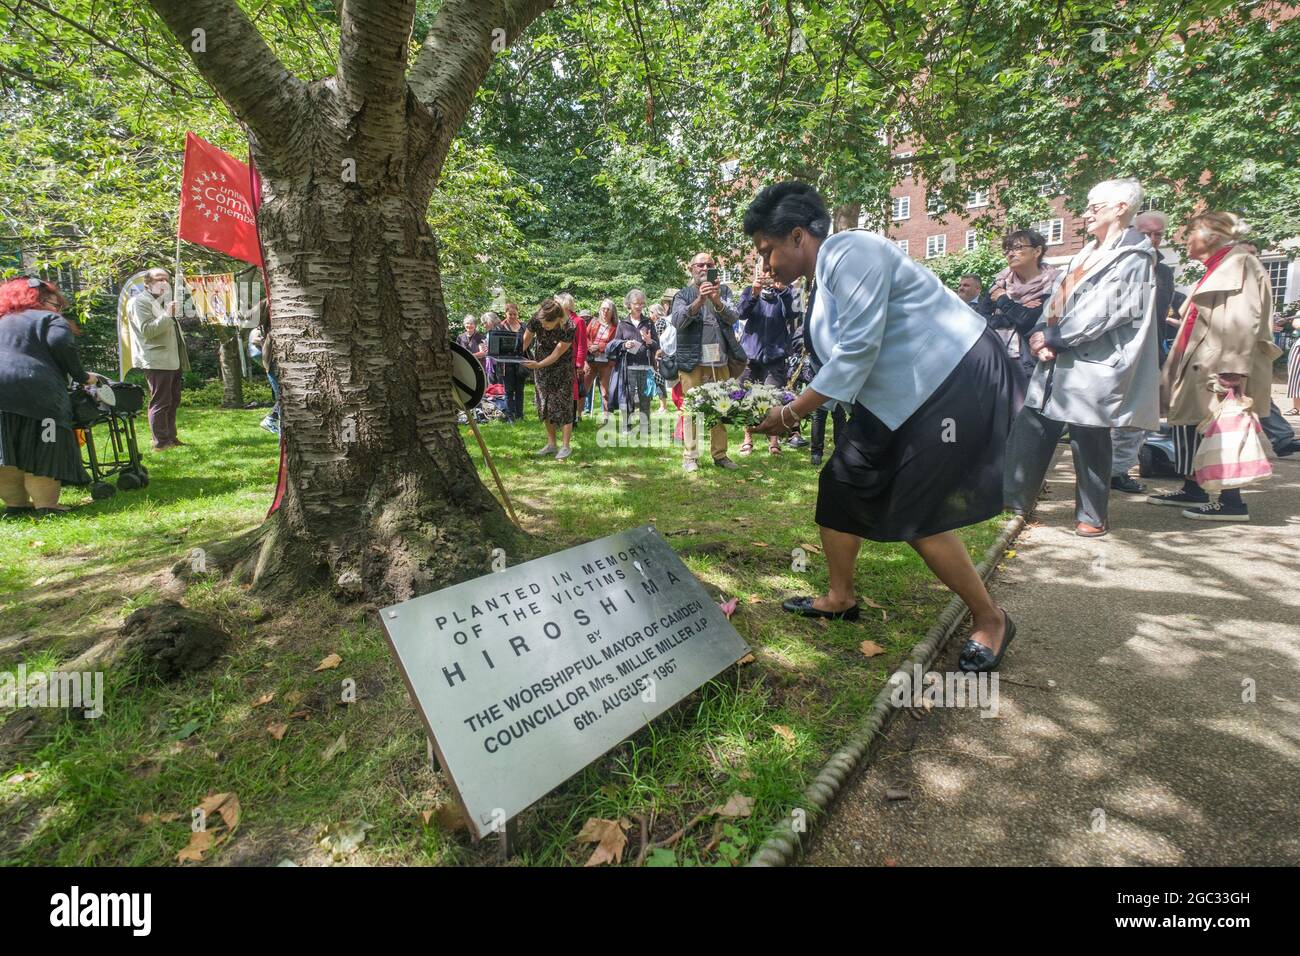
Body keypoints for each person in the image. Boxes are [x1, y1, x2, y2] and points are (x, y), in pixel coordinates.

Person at [745, 181, 1018, 674]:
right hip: (895, 398)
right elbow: (846, 355)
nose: (766, 265)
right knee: (841, 482)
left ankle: (990, 618)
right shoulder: (823, 277)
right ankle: (839, 597)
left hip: (951, 378)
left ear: (799, 236)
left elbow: (857, 350)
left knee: (916, 504)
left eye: (768, 251)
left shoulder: (853, 249)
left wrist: (791, 414)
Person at [1004, 177, 1160, 537]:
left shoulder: (1135, 256)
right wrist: (1042, 334)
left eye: (1094, 206)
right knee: (1031, 427)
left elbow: (1110, 310)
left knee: (1089, 439)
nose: (1086, 213)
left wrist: (1055, 336)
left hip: (1092, 363)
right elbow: (1057, 297)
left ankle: (1092, 516)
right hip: (1055, 358)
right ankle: (1012, 502)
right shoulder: (1087, 251)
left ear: (1120, 208)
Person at [1149, 212, 1281, 520]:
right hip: (1200, 359)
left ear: (1212, 237)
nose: (1185, 240)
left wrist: (1233, 369)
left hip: (1218, 364)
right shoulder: (1221, 266)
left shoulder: (1239, 264)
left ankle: (1231, 502)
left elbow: (1241, 318)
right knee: (1194, 425)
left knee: (1223, 429)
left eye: (1190, 233)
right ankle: (1194, 487)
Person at [0, 277, 98, 515]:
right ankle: (47, 505)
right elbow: (60, 343)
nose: (59, 309)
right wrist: (82, 376)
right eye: (57, 304)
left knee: (6, 449)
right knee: (45, 445)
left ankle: (17, 505)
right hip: (39, 394)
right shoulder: (49, 319)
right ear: (43, 299)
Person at [672, 252, 747, 472]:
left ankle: (720, 455)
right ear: (691, 269)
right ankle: (690, 457)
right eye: (700, 265)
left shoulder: (724, 291)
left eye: (710, 265)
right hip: (692, 360)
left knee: (720, 407)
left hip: (720, 359)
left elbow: (734, 318)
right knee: (692, 408)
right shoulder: (683, 295)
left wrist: (716, 300)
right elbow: (678, 322)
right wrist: (700, 300)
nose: (704, 268)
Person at [985, 229, 1059, 410]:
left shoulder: (1054, 285)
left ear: (1037, 251)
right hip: (997, 359)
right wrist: (1015, 313)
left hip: (1029, 364)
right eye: (1007, 249)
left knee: (1024, 416)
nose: (1011, 253)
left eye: (1018, 248)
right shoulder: (999, 283)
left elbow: (1028, 322)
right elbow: (982, 320)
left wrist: (1003, 300)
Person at [126, 267, 190, 451]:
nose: (164, 283)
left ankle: (171, 437)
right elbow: (148, 330)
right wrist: (167, 315)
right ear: (147, 283)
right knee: (160, 401)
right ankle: (160, 442)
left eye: (166, 279)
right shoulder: (139, 302)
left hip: (172, 357)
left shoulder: (165, 301)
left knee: (173, 399)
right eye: (159, 279)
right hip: (156, 358)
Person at [737, 261, 794, 456]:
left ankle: (774, 441)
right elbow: (740, 313)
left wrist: (784, 291)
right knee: (745, 398)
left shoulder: (786, 292)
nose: (768, 274)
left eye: (771, 271)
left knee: (774, 398)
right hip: (750, 356)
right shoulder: (749, 290)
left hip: (775, 356)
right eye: (765, 270)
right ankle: (748, 439)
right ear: (758, 272)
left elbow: (794, 313)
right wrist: (753, 293)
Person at [522, 298, 576, 460]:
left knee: (563, 404)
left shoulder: (569, 327)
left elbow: (556, 354)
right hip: (541, 366)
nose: (543, 327)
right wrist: (513, 357)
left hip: (562, 368)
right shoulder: (538, 319)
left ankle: (565, 446)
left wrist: (538, 365)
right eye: (542, 324)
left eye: (547, 325)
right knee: (544, 403)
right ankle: (551, 444)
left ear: (558, 319)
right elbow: (525, 341)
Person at [606, 289, 659, 434]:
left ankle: (645, 427)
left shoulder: (648, 322)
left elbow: (657, 346)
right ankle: (626, 426)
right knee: (627, 397)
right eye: (636, 303)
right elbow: (616, 343)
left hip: (646, 366)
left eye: (642, 303)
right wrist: (625, 344)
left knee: (645, 398)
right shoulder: (623, 323)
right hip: (628, 366)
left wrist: (649, 341)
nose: (639, 306)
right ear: (629, 304)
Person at [246, 299, 279, 434]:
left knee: (283, 397)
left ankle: (273, 420)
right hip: (271, 363)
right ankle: (271, 419)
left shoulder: (265, 327)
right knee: (285, 397)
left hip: (269, 363)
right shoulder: (265, 329)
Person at [586, 300, 619, 422]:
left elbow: (615, 344)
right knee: (583, 388)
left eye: (608, 309)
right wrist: (590, 347)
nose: (605, 311)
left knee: (606, 391)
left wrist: (599, 347)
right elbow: (586, 337)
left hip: (606, 363)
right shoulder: (593, 322)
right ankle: (577, 416)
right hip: (590, 360)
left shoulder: (616, 327)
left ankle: (606, 416)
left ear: (612, 311)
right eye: (603, 309)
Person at [556, 293, 586, 424]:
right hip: (557, 359)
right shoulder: (557, 320)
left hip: (572, 361)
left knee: (572, 391)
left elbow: (582, 345)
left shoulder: (579, 321)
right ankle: (559, 419)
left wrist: (579, 364)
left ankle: (572, 420)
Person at [499, 302, 526, 423]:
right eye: (510, 314)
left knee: (520, 390)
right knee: (509, 390)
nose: (513, 316)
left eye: (515, 314)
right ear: (505, 314)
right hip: (506, 363)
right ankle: (510, 416)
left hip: (520, 362)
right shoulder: (499, 327)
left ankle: (520, 415)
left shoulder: (524, 326)